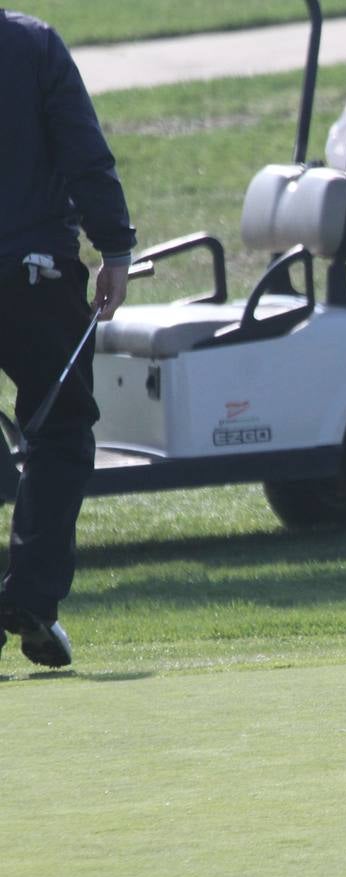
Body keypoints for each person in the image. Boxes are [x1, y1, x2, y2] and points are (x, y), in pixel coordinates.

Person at [0, 10, 136, 668]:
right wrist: (114, 246)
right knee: (60, 429)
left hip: (34, 268)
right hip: (34, 274)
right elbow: (82, 150)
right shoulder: (31, 44)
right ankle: (30, 598)